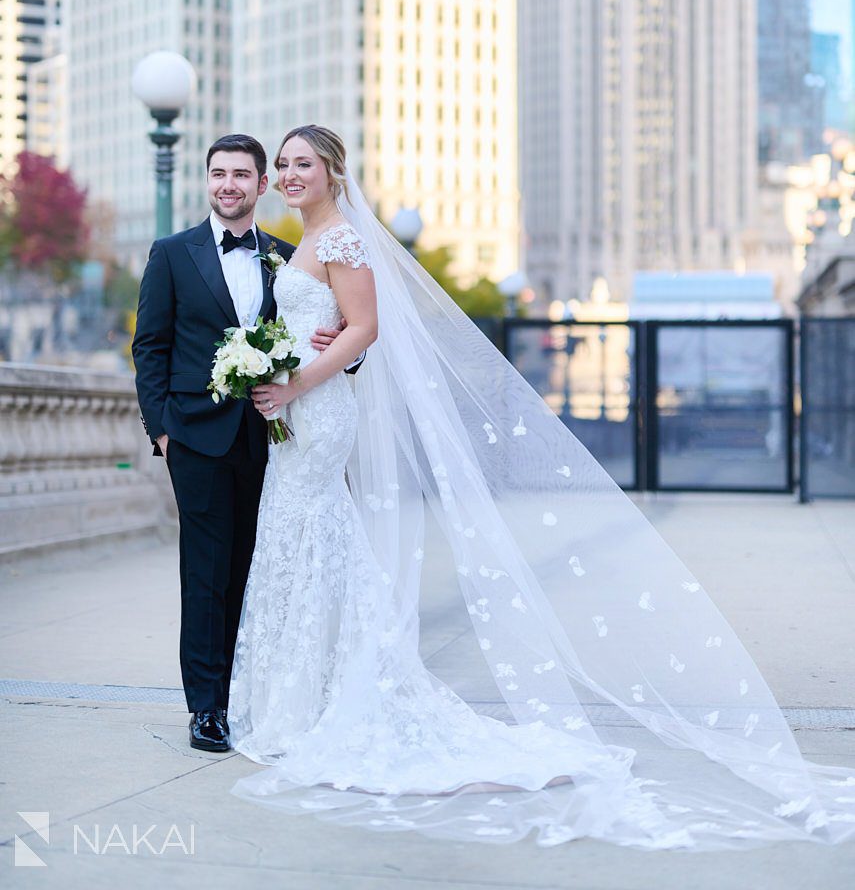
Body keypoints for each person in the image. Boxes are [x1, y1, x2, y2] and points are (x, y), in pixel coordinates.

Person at [226, 124, 855, 850]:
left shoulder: (341, 240)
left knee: (313, 530)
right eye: (284, 164)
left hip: (319, 408)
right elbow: (325, 325)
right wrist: (275, 369)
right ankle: (301, 695)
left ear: (334, 173)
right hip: (297, 407)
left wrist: (295, 381)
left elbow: (364, 328)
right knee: (301, 533)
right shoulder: (300, 241)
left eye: (304, 163)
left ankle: (329, 692)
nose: (290, 172)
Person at [132, 134, 358, 753]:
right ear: (207, 182)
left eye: (241, 175)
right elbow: (149, 347)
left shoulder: (290, 259)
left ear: (262, 186)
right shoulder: (171, 253)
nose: (228, 185)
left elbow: (337, 337)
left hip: (274, 438)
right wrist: (162, 432)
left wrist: (335, 337)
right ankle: (207, 708)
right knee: (204, 574)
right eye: (218, 174)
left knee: (255, 573)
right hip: (196, 439)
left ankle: (248, 695)